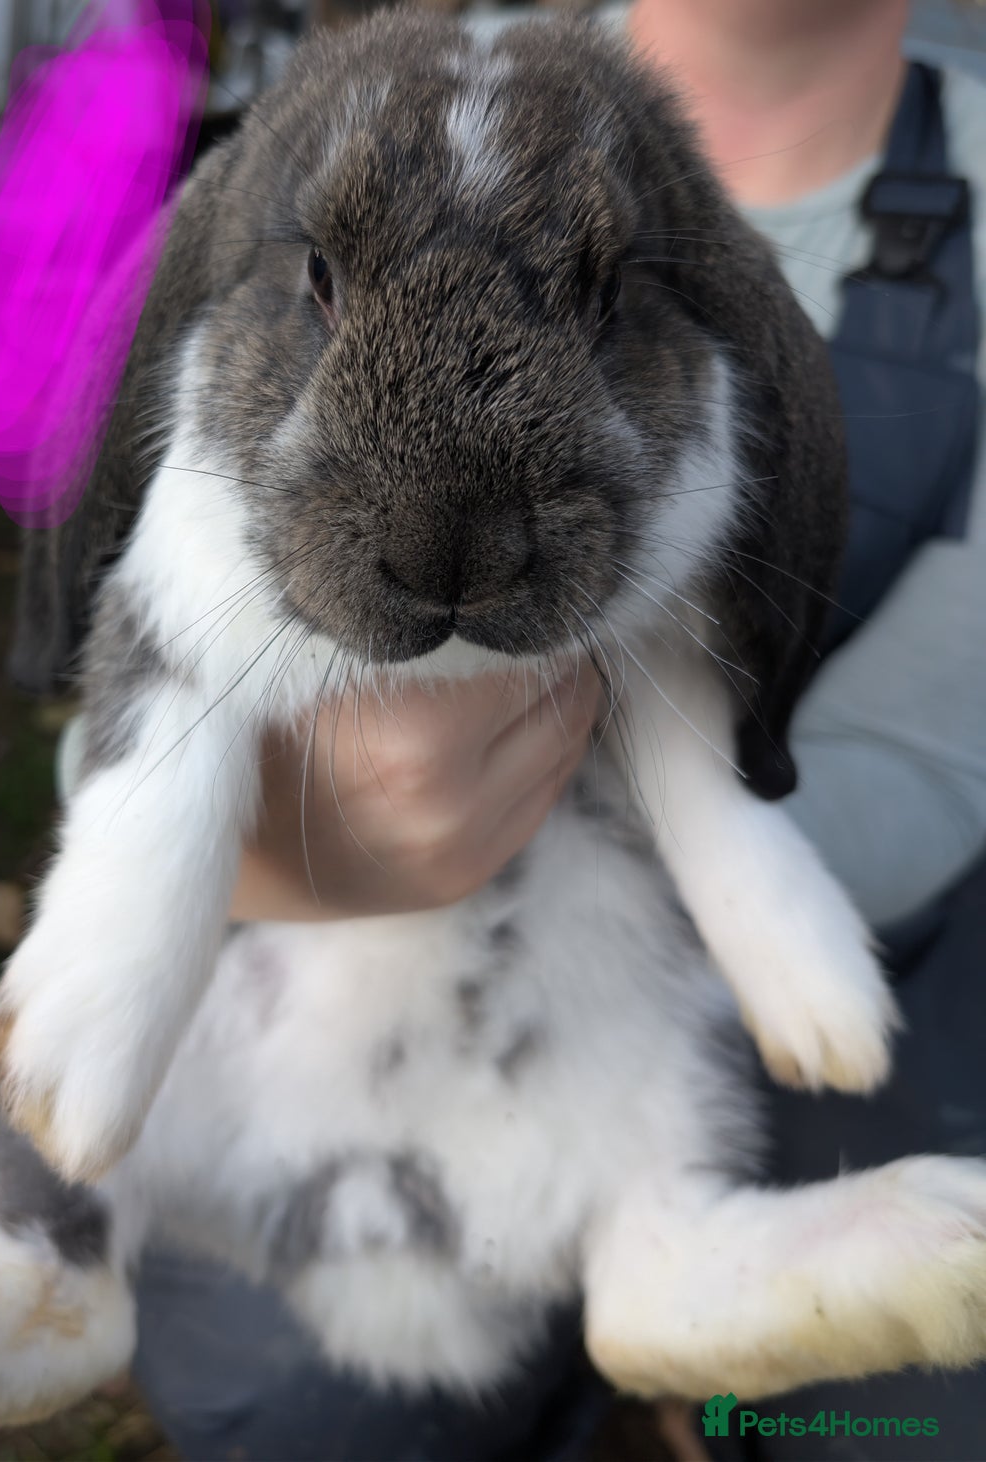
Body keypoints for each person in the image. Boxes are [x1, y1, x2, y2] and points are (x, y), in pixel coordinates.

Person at [49, 1, 986, 1456]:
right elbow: (156, 602)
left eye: (612, 303)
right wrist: (289, 852)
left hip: (800, 889)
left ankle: (707, 1406)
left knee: (912, 1411)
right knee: (292, 1394)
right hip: (341, 943)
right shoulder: (371, 101)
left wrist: (691, 826)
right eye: (320, 284)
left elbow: (947, 743)